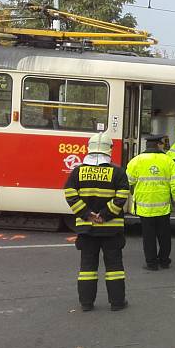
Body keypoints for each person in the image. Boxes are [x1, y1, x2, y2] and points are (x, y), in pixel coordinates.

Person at [63, 132, 130, 312]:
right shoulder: (117, 171)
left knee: (87, 267)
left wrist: (87, 214)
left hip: (87, 229)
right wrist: (105, 215)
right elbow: (122, 196)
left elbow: (69, 193)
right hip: (112, 230)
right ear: (110, 150)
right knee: (114, 267)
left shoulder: (78, 172)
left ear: (89, 148)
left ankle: (86, 303)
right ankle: (117, 303)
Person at [126, 134, 175, 271]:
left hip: (144, 206)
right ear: (159, 145)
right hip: (163, 206)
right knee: (164, 235)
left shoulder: (136, 161)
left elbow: (128, 181)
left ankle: (151, 263)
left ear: (147, 146)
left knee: (148, 236)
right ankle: (164, 261)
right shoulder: (168, 161)